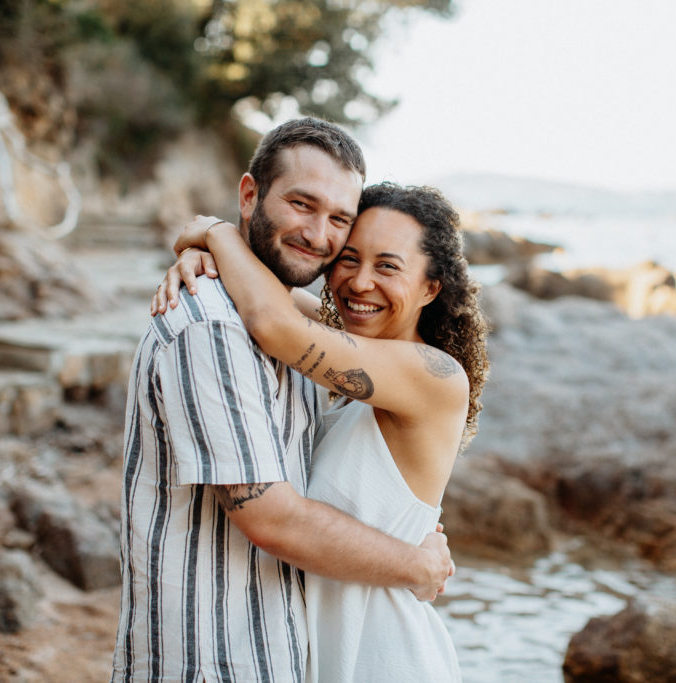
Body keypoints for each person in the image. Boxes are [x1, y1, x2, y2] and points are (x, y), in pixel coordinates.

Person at [111, 119, 456, 683]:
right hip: (276, 656)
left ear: (430, 289)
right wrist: (213, 248)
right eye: (351, 258)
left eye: (387, 265)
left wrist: (217, 235)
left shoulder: (432, 373)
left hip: (381, 655)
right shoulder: (257, 335)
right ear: (252, 195)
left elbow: (274, 319)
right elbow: (276, 310)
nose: (358, 280)